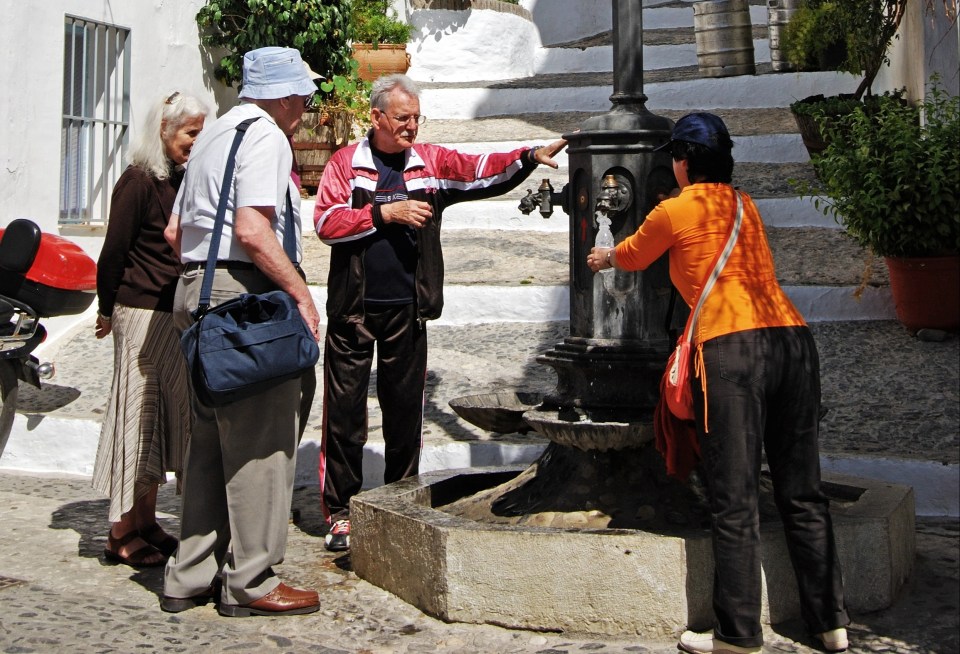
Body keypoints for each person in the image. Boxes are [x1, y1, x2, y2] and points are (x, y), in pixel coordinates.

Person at [586, 113, 850, 654]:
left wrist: (604, 255)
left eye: (675, 158)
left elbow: (634, 255)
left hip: (733, 347)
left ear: (682, 162)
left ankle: (738, 634)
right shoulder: (745, 205)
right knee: (802, 491)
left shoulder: (675, 208)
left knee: (734, 498)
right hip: (794, 341)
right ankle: (831, 624)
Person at [314, 74, 567, 552]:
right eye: (403, 118)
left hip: (408, 313)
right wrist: (383, 214)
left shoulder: (428, 164)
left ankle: (397, 503)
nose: (412, 127)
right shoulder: (346, 164)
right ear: (377, 117)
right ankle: (343, 512)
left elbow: (478, 170)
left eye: (416, 118)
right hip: (353, 312)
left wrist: (528, 157)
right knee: (344, 415)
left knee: (405, 415)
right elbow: (327, 222)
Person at [160, 46, 322, 618]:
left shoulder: (212, 134)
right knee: (262, 443)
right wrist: (301, 295)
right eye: (303, 92)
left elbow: (175, 232)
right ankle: (251, 579)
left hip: (196, 290)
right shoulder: (267, 136)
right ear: (283, 93)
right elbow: (254, 229)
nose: (306, 103)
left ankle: (190, 573)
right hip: (243, 295)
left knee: (207, 440)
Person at [92, 91, 207, 568]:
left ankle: (146, 519)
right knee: (136, 417)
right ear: (164, 130)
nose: (195, 143)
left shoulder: (180, 183)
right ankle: (120, 530)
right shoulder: (137, 182)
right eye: (190, 133)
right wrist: (104, 310)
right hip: (140, 315)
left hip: (171, 316)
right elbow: (113, 252)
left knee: (161, 418)